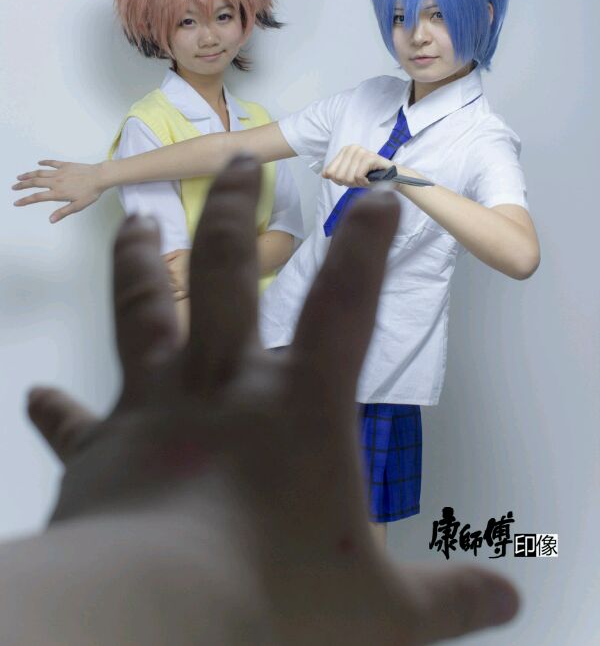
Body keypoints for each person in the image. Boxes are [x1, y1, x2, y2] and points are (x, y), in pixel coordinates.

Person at [13, 0, 541, 544]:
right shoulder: (364, 101)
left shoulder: (484, 141)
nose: (417, 35)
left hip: (375, 368)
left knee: (354, 544)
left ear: (483, 14)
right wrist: (103, 175)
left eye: (439, 14)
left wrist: (404, 179)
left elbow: (520, 252)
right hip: (284, 340)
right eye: (401, 17)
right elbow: (231, 149)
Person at [4, 156, 520, 645]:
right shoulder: (330, 118)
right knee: (341, 524)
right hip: (252, 378)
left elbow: (285, 231)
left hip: (313, 381)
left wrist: (127, 524)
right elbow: (226, 177)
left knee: (355, 519)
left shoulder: (476, 142)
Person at [111, 0, 303, 329]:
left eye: (223, 16)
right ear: (159, 29)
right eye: (187, 22)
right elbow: (173, 272)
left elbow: (287, 234)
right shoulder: (147, 125)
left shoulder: (259, 119)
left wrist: (209, 266)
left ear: (245, 18)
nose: (209, 37)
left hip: (277, 327)